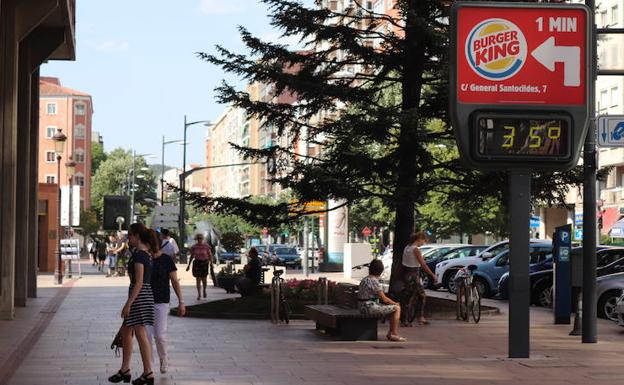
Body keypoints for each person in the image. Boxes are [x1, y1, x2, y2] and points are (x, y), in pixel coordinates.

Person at [108, 223, 156, 385]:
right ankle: (125, 370)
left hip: (139, 297)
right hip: (141, 296)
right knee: (126, 332)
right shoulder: (143, 254)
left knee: (140, 335)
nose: (128, 238)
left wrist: (128, 304)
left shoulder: (140, 255)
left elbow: (139, 282)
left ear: (137, 236)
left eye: (130, 235)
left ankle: (148, 372)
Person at [147, 229, 185, 374]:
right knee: (147, 336)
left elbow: (175, 281)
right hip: (145, 301)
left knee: (160, 335)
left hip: (161, 301)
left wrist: (181, 302)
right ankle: (148, 367)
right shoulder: (144, 259)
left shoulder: (166, 259)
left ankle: (163, 358)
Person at [358, 259, 405, 341]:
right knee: (396, 308)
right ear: (380, 270)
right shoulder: (374, 281)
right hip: (368, 307)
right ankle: (393, 333)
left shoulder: (365, 279)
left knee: (391, 308)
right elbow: (384, 299)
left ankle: (390, 333)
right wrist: (396, 303)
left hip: (361, 306)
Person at [401, 231, 436, 326]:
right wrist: (432, 275)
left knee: (408, 297)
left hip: (407, 275)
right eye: (424, 241)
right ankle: (414, 319)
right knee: (421, 295)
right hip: (414, 276)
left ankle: (406, 319)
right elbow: (423, 264)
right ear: (419, 239)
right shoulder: (415, 249)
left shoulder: (407, 248)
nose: (423, 243)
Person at [186, 233, 212, 300]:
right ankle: (199, 294)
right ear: (196, 239)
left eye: (200, 238)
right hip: (197, 263)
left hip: (204, 263)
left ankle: (204, 290)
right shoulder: (194, 247)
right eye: (198, 238)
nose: (199, 240)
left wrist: (212, 263)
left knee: (204, 279)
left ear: (202, 239)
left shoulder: (206, 246)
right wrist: (188, 265)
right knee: (198, 279)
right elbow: (192, 256)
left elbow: (210, 255)